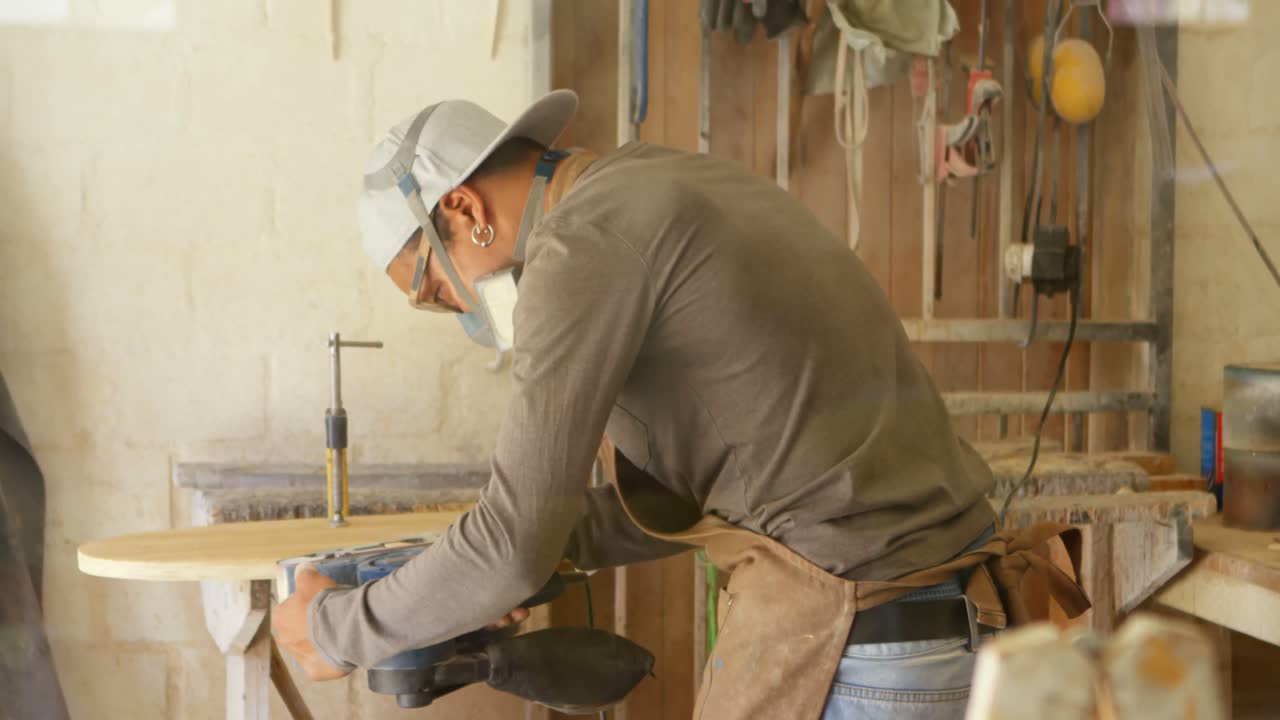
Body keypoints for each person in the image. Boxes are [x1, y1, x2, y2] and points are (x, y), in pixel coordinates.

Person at [273, 90, 1078, 719]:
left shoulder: (578, 246)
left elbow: (507, 547)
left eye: (430, 290)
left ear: (464, 211)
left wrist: (333, 630)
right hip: (959, 626)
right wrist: (533, 549)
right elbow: (734, 485)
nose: (453, 311)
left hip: (859, 654)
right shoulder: (668, 180)